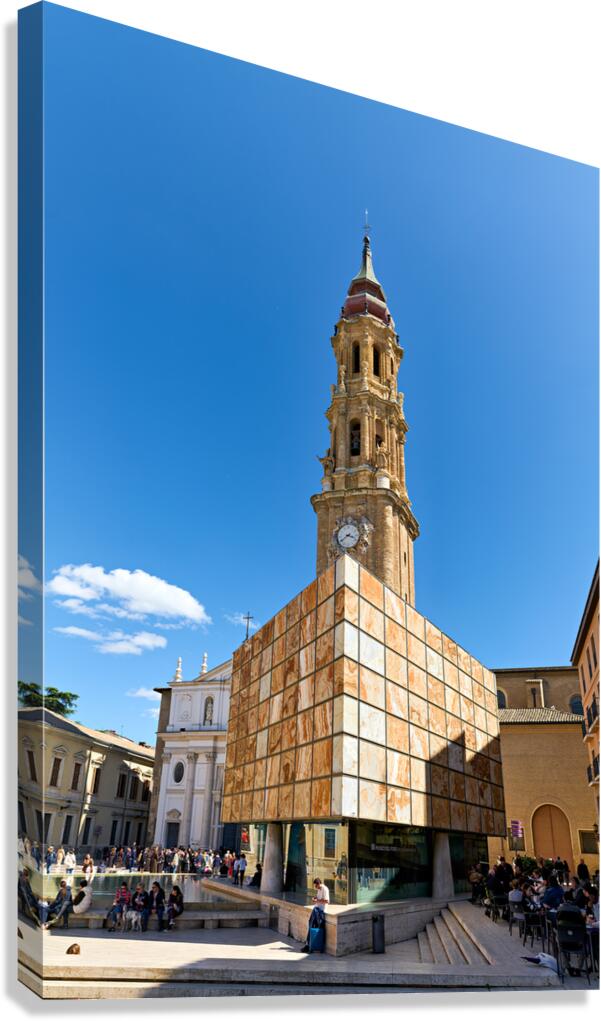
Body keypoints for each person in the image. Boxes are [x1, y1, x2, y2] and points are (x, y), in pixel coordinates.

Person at [301, 878, 329, 953]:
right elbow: (319, 899)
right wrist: (315, 898)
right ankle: (308, 945)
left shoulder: (324, 889)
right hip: (316, 909)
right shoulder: (319, 889)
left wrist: (317, 901)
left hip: (320, 911)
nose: (315, 887)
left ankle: (310, 946)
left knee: (313, 926)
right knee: (311, 925)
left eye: (316, 886)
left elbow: (327, 901)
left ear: (318, 884)